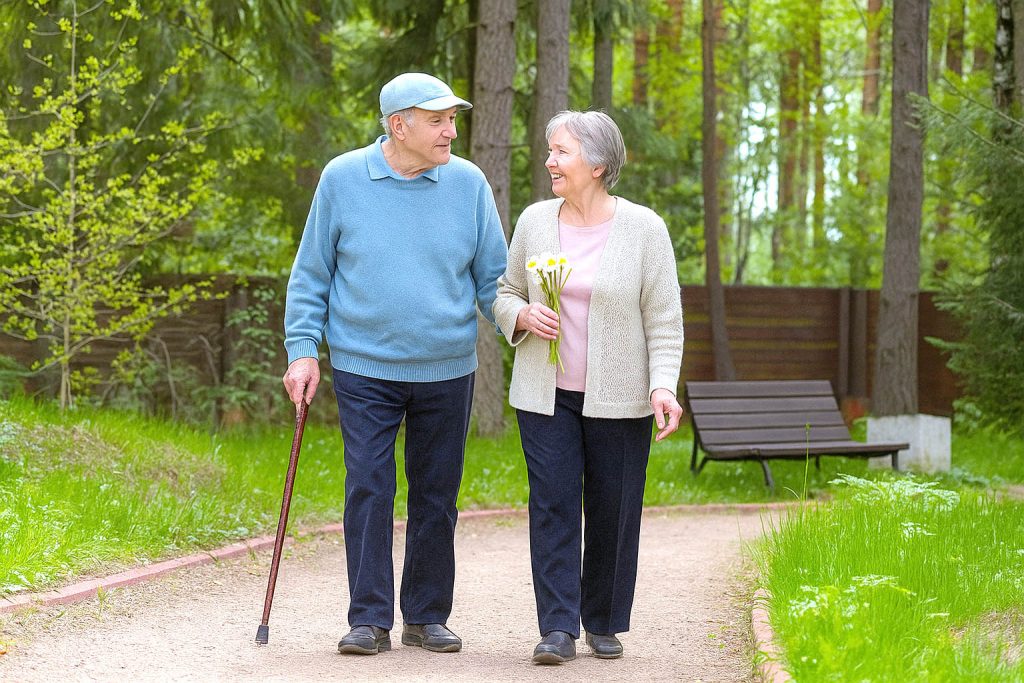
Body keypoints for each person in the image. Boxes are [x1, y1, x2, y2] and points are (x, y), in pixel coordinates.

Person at [282, 72, 508, 656]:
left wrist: (517, 319)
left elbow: (493, 281)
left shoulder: (469, 184)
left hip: (447, 367)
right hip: (364, 365)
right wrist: (303, 350)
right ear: (397, 124)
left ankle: (427, 614)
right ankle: (369, 618)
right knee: (369, 487)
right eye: (438, 120)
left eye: (453, 119)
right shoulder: (342, 179)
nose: (450, 131)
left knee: (437, 493)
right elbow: (312, 275)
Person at [493, 110, 684, 664]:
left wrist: (662, 386)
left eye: (561, 152)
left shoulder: (645, 229)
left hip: (620, 396)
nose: (550, 161)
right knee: (551, 504)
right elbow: (505, 290)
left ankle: (602, 620)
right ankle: (557, 627)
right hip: (544, 392)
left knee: (614, 506)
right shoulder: (534, 220)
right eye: (550, 151)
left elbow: (665, 319)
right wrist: (523, 315)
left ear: (597, 165)